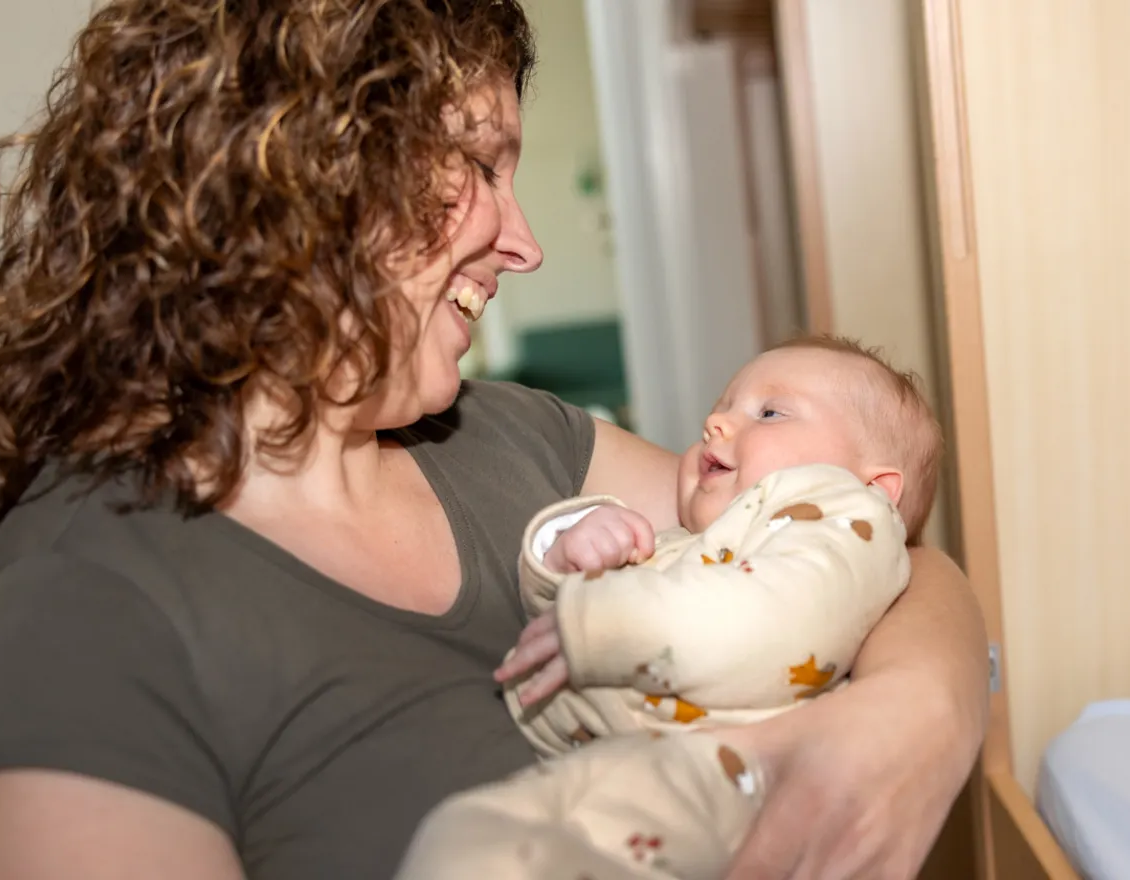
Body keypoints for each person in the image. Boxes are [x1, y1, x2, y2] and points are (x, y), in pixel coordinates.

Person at [0, 2, 989, 879]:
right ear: (302, 165)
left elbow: (844, 525)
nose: (520, 243)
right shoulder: (77, 619)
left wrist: (911, 717)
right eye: (477, 164)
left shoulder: (502, 437)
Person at [397, 336, 945, 878]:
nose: (717, 425)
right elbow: (560, 631)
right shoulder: (690, 545)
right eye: (720, 409)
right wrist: (571, 552)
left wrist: (603, 621)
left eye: (770, 412)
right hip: (612, 767)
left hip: (721, 779)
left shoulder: (842, 518)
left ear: (877, 487)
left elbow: (768, 621)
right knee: (464, 837)